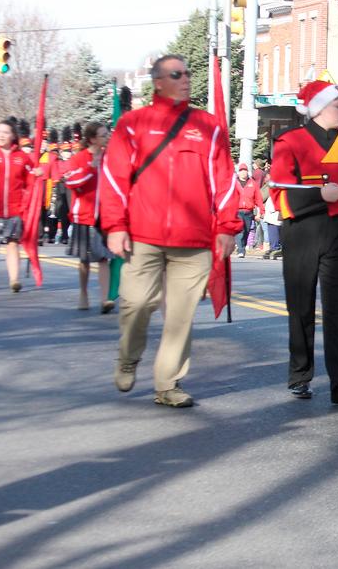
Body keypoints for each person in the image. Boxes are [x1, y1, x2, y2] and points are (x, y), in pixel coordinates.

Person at [100, 54, 240, 409]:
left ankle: (168, 383)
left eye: (188, 73)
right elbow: (115, 178)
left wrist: (226, 226)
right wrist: (115, 225)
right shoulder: (134, 124)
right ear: (158, 82)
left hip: (193, 242)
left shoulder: (207, 126)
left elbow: (224, 180)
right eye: (177, 74)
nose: (186, 79)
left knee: (180, 315)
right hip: (143, 236)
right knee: (137, 303)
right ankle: (129, 357)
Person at [270, 79, 338, 404]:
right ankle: (300, 374)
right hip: (300, 232)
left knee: (337, 308)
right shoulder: (290, 141)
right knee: (300, 306)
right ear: (319, 108)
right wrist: (319, 195)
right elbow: (280, 194)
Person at [0, 118, 40, 291]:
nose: (2, 135)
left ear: (13, 136)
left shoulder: (22, 157)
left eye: (6, 132)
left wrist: (39, 173)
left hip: (14, 207)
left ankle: (14, 280)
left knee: (12, 243)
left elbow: (31, 178)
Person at [64, 122, 115, 313]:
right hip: (84, 216)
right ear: (92, 139)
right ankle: (83, 293)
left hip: (105, 217)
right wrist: (91, 168)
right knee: (85, 260)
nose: (106, 137)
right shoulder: (79, 158)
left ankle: (105, 299)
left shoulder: (110, 158)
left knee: (103, 258)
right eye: (102, 135)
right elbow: (71, 182)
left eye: (107, 134)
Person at [234, 163, 263, 258]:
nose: (243, 173)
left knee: (246, 231)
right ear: (239, 172)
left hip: (248, 212)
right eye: (241, 171)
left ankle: (242, 247)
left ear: (247, 172)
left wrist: (260, 211)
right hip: (237, 211)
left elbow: (258, 198)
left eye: (245, 171)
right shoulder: (234, 183)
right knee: (240, 230)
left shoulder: (253, 183)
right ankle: (240, 250)